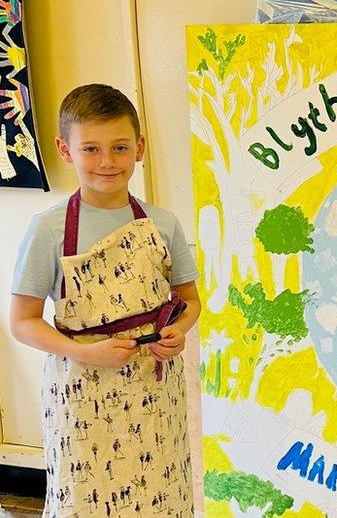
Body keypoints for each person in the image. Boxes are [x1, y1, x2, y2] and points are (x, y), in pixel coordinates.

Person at [9, 84, 200, 516]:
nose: (107, 162)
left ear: (139, 148)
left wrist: (177, 331)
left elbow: (189, 300)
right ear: (64, 149)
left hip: (155, 391)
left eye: (119, 147)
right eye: (91, 149)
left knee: (160, 496)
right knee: (86, 499)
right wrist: (86, 352)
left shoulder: (163, 224)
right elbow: (22, 321)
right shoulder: (48, 230)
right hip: (81, 391)